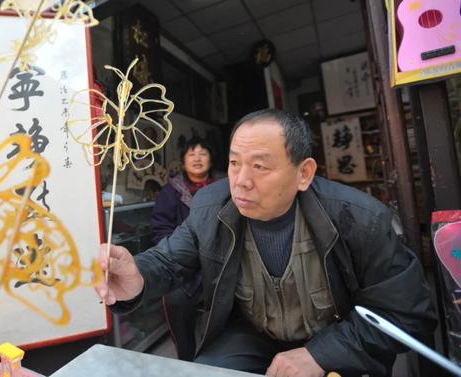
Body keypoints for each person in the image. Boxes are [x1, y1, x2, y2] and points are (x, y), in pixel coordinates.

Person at [96, 109, 436, 377]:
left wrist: (322, 353)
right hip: (251, 335)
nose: (241, 182)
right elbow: (170, 260)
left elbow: (407, 314)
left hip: (336, 334)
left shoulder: (360, 219)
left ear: (303, 173)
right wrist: (137, 276)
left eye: (259, 166)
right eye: (233, 163)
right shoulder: (212, 208)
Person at [151, 137, 219, 360]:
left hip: (221, 263)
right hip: (185, 266)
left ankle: (224, 355)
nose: (197, 158)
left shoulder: (224, 186)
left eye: (203, 153)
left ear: (211, 158)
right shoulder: (171, 192)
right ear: (183, 161)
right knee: (175, 299)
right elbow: (160, 229)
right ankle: (187, 358)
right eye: (192, 154)